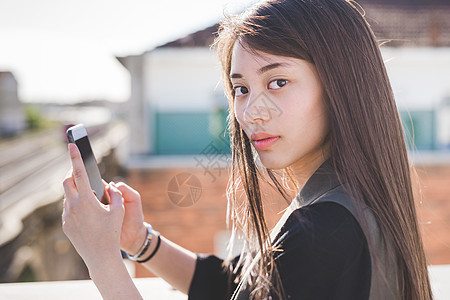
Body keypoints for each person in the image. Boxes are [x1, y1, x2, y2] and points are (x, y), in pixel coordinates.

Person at [62, 0, 433, 299]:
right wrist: (139, 240)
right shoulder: (344, 200)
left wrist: (103, 261)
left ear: (340, 86)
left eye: (278, 81)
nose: (251, 112)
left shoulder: (325, 232)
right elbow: (240, 285)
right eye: (241, 89)